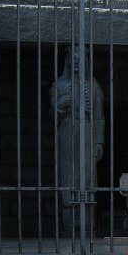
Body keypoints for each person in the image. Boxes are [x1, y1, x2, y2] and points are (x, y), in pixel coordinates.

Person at [49, 46, 104, 230]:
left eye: (79, 58)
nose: (76, 62)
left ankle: (87, 222)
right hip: (67, 129)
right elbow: (52, 117)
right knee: (67, 173)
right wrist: (60, 105)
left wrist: (99, 141)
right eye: (72, 58)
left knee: (88, 174)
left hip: (87, 130)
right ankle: (69, 223)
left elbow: (99, 117)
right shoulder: (59, 85)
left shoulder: (93, 86)